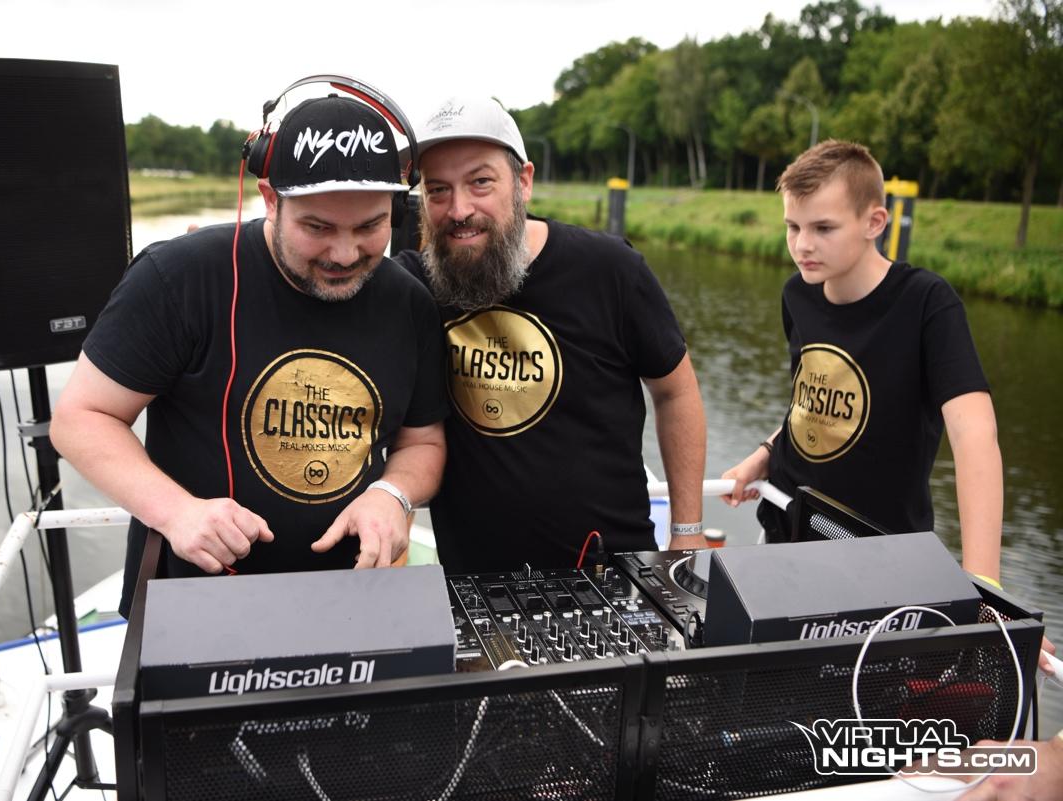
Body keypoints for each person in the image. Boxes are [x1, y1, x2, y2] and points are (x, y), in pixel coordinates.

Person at [51, 89, 449, 617]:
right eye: (317, 227)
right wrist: (176, 512)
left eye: (369, 226)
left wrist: (392, 494)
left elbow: (423, 442)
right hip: (194, 598)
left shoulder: (410, 305)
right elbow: (81, 418)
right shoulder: (179, 278)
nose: (345, 253)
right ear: (270, 198)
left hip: (353, 597)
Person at [393, 96, 707, 574]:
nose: (459, 209)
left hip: (609, 571)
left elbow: (675, 392)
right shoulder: (414, 286)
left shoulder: (609, 270)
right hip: (472, 583)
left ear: (523, 182)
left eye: (480, 182)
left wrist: (687, 531)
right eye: (438, 190)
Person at [719, 139, 1002, 580]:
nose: (802, 245)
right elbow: (813, 401)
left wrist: (984, 584)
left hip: (877, 556)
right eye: (793, 227)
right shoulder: (797, 295)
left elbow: (975, 437)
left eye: (823, 228)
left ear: (874, 222)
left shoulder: (927, 303)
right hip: (786, 528)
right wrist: (767, 452)